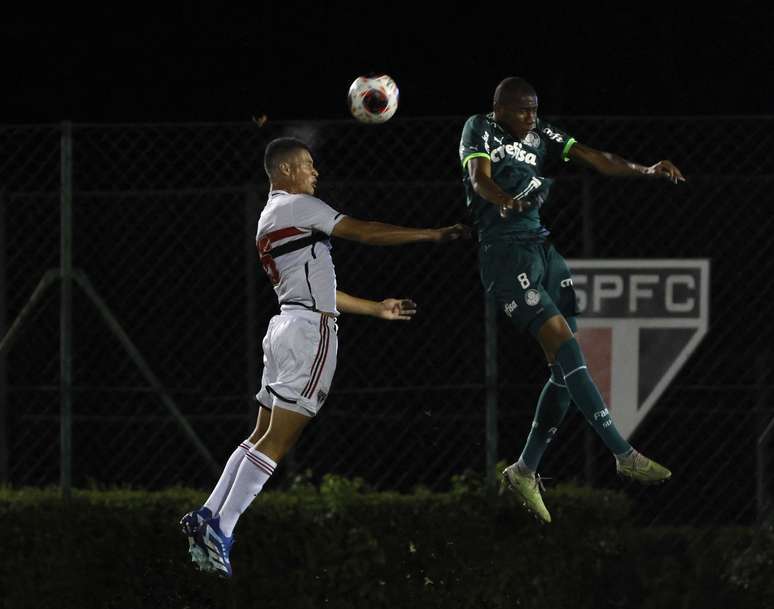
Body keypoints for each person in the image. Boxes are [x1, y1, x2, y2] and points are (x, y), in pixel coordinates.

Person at [181, 136, 468, 577]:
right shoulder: (298, 207)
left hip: (285, 326)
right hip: (309, 333)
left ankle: (209, 515)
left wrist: (375, 307)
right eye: (309, 165)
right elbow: (364, 230)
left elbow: (317, 289)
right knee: (279, 442)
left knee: (259, 435)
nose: (316, 173)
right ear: (286, 171)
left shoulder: (270, 216)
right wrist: (429, 234)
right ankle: (224, 527)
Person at [459, 77, 685, 523]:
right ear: (500, 108)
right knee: (568, 347)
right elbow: (478, 178)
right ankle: (623, 453)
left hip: (543, 250)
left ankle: (524, 470)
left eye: (535, 109)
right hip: (505, 253)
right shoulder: (479, 128)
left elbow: (594, 157)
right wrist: (504, 201)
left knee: (564, 371)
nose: (531, 117)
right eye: (523, 110)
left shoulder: (542, 133)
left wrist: (644, 169)